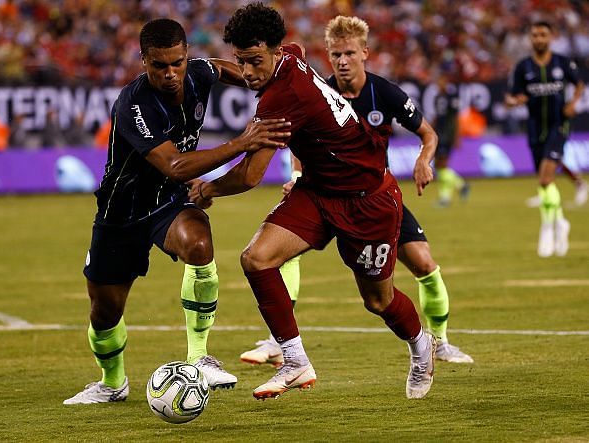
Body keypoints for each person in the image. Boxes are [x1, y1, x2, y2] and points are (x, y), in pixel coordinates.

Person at [191, 2, 437, 400]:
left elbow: (251, 175)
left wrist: (208, 189)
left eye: (255, 61)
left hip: (367, 200)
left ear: (274, 50)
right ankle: (295, 360)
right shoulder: (292, 54)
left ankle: (421, 346)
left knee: (378, 300)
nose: (250, 71)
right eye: (242, 61)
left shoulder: (280, 100)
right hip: (319, 191)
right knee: (256, 258)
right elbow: (247, 73)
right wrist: (210, 67)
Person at [63, 18, 290, 405]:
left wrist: (258, 80)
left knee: (200, 244)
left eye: (178, 63)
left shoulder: (196, 72)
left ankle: (199, 357)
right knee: (104, 312)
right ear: (143, 61)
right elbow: (176, 166)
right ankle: (112, 383)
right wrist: (241, 143)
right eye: (159, 66)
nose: (171, 74)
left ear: (186, 55)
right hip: (121, 215)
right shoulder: (133, 104)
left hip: (168, 202)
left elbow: (217, 67)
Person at [239, 15, 473, 369]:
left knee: (420, 267)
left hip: (374, 197)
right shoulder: (320, 90)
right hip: (324, 194)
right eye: (335, 55)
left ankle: (439, 343)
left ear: (365, 53)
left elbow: (429, 134)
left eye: (349, 53)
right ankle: (282, 344)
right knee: (274, 252)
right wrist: (297, 174)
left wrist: (425, 161)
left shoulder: (386, 93)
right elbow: (301, 143)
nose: (342, 61)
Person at [505, 20, 584, 257]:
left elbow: (579, 83)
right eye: (535, 35)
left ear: (551, 37)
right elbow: (512, 96)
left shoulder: (562, 62)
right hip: (534, 128)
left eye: (543, 35)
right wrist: (514, 101)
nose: (539, 39)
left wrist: (573, 103)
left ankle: (547, 227)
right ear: (531, 39)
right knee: (545, 182)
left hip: (559, 126)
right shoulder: (523, 67)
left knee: (545, 177)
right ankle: (560, 221)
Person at [432, 72, 470, 207]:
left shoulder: (452, 98)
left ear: (446, 83)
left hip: (447, 134)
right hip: (438, 134)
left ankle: (452, 192)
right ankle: (458, 186)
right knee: (439, 166)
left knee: (442, 166)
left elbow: (455, 118)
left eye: (442, 81)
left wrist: (457, 136)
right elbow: (436, 117)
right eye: (438, 81)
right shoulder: (437, 98)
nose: (439, 84)